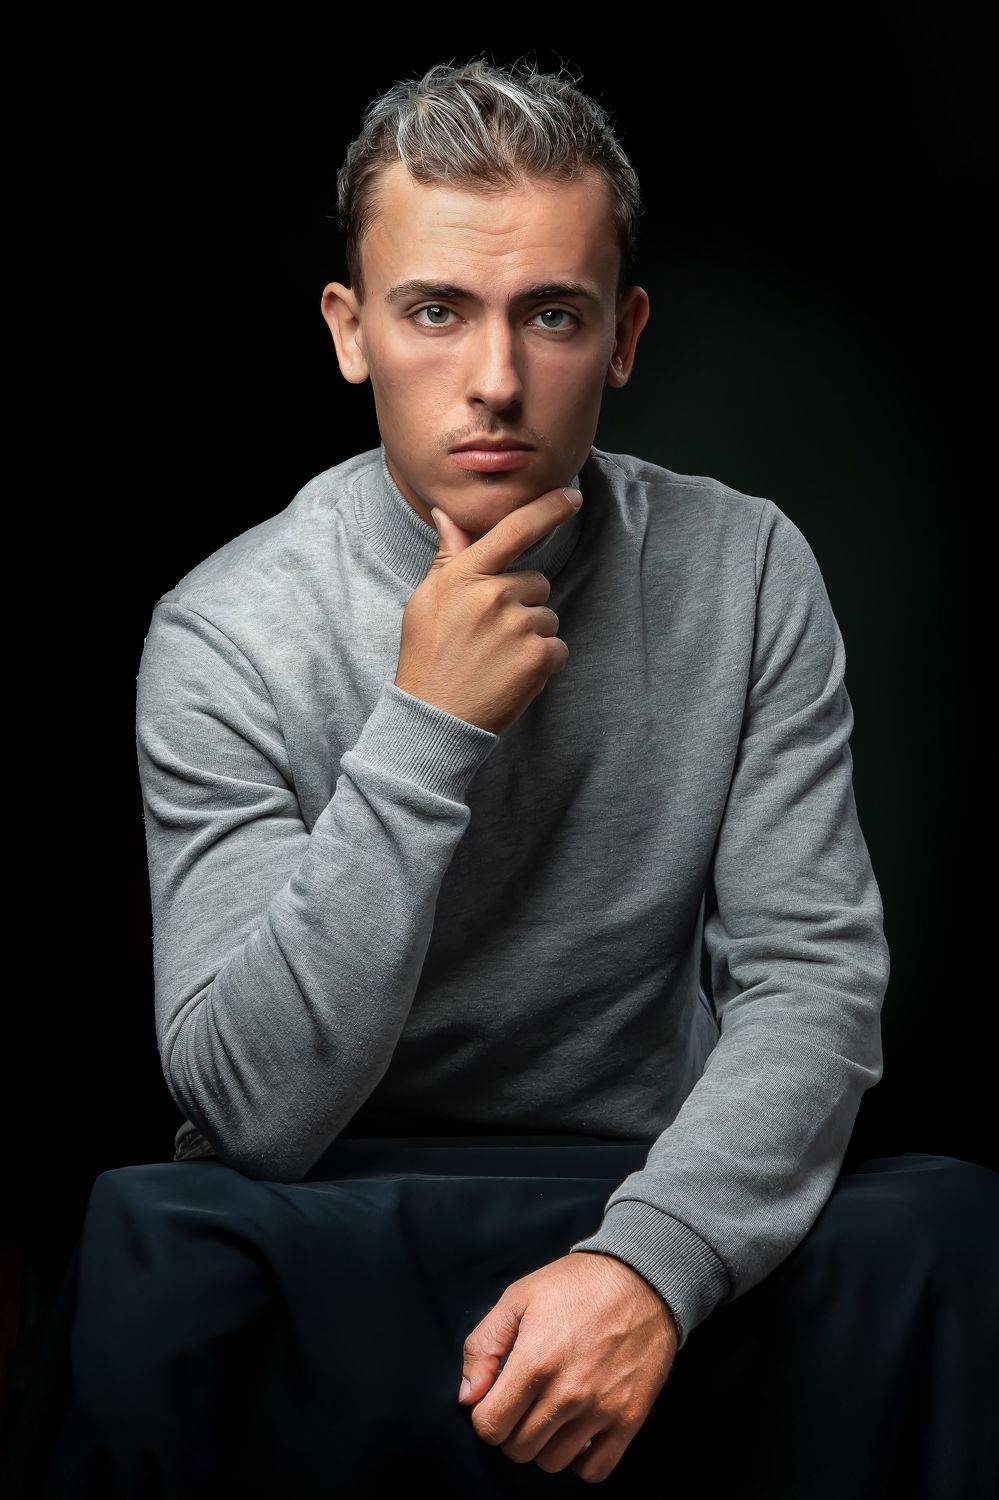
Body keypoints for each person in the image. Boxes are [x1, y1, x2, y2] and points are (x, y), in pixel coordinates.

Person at [4, 55, 997, 1499]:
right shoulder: (226, 628)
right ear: (350, 331)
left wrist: (647, 1268)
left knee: (954, 1223)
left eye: (551, 314)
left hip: (640, 1177)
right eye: (434, 311)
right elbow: (251, 1110)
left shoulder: (745, 567)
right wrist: (426, 724)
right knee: (149, 1242)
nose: (494, 381)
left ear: (624, 336)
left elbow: (813, 986)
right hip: (332, 1200)